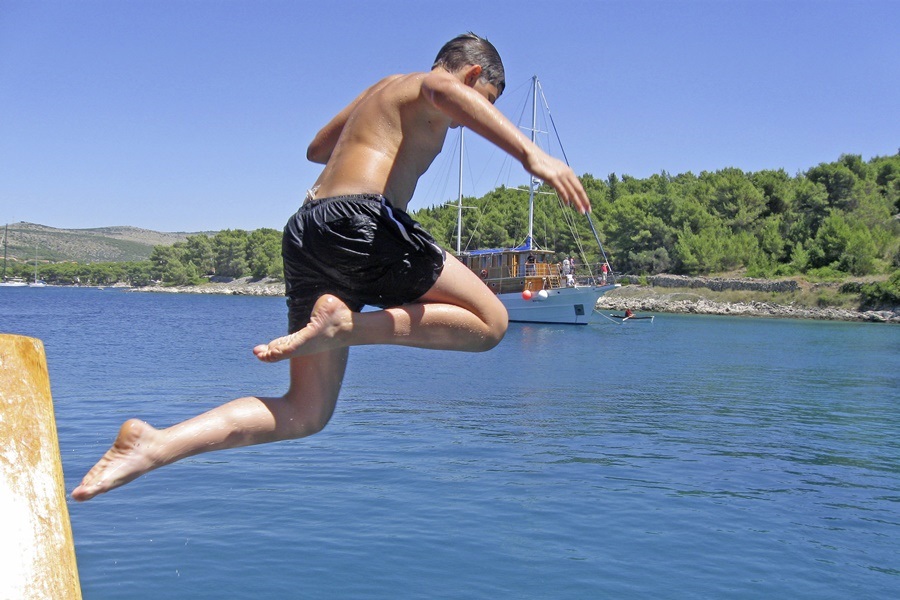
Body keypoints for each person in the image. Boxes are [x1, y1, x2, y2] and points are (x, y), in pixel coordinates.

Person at [72, 33, 591, 502]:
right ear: (473, 74)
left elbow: (317, 147)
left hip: (308, 230)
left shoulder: (383, 91)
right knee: (491, 324)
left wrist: (370, 130)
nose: (469, 118)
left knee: (306, 412)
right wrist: (532, 156)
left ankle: (154, 446)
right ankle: (348, 326)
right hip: (360, 221)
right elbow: (443, 91)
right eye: (486, 103)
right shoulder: (430, 85)